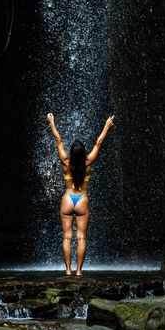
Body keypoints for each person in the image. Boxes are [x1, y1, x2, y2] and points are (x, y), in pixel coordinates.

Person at [46, 112, 115, 276]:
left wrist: (51, 122)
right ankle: (78, 271)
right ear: (83, 152)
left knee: (66, 237)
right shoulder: (88, 162)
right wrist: (107, 126)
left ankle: (68, 270)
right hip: (82, 199)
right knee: (81, 238)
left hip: (67, 199)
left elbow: (58, 140)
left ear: (71, 153)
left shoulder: (65, 162)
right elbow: (98, 142)